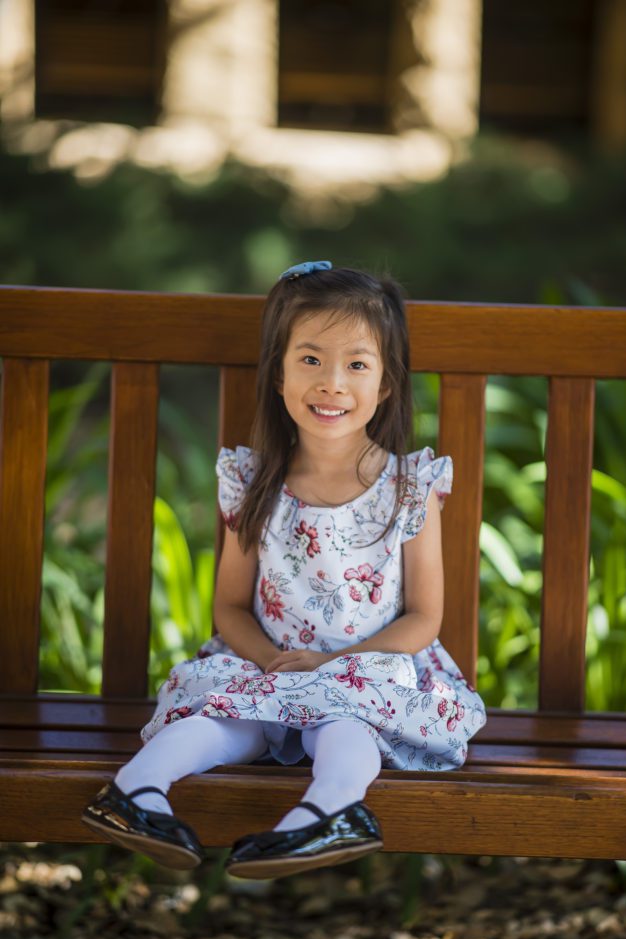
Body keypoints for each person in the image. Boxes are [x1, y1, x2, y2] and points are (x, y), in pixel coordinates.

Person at [82, 261, 487, 878]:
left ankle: (325, 816)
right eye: (310, 359)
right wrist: (271, 664)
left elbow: (425, 617)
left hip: (363, 671)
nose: (332, 383)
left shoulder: (410, 488)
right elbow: (231, 608)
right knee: (221, 716)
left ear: (384, 386)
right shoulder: (255, 483)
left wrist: (330, 666)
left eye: (356, 364)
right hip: (267, 662)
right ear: (277, 373)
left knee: (347, 722)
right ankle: (135, 792)